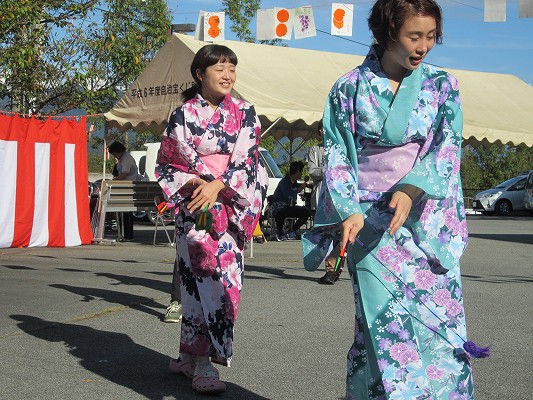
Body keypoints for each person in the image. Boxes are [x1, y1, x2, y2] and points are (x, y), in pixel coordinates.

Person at [302, 0, 479, 398]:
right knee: (383, 326)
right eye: (413, 36)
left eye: (431, 36)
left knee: (438, 325)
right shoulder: (348, 87)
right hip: (368, 223)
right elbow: (338, 154)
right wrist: (347, 211)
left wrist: (410, 187)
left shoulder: (442, 85)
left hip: (423, 220)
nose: (424, 46)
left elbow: (447, 148)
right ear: (386, 33)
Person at [155, 44, 267, 394]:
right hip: (196, 208)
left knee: (223, 286)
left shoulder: (246, 113)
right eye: (219, 67)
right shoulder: (182, 115)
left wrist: (218, 185)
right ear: (200, 74)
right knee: (193, 284)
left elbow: (248, 163)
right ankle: (198, 361)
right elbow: (169, 163)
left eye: (232, 66)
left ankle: (201, 357)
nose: (227, 73)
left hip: (230, 209)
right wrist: (197, 184)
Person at [307, 120, 341, 285]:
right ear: (319, 131)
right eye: (322, 129)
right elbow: (312, 171)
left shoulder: (341, 147)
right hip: (322, 195)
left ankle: (335, 270)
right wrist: (329, 169)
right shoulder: (316, 149)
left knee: (341, 235)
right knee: (325, 232)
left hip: (340, 195)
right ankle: (329, 270)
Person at [271, 160, 312, 241]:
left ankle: (292, 230)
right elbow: (289, 194)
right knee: (282, 212)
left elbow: (299, 186)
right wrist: (301, 187)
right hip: (280, 206)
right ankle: (280, 232)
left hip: (290, 207)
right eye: (301, 172)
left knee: (306, 212)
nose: (301, 174)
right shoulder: (284, 182)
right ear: (297, 172)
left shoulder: (294, 182)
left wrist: (307, 185)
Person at [108, 141, 138, 241]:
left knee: (126, 211)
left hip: (129, 189)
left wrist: (113, 181)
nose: (115, 156)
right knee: (124, 211)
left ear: (118, 151)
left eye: (115, 154)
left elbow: (124, 174)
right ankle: (124, 233)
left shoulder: (126, 159)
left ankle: (127, 234)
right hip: (126, 189)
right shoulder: (123, 159)